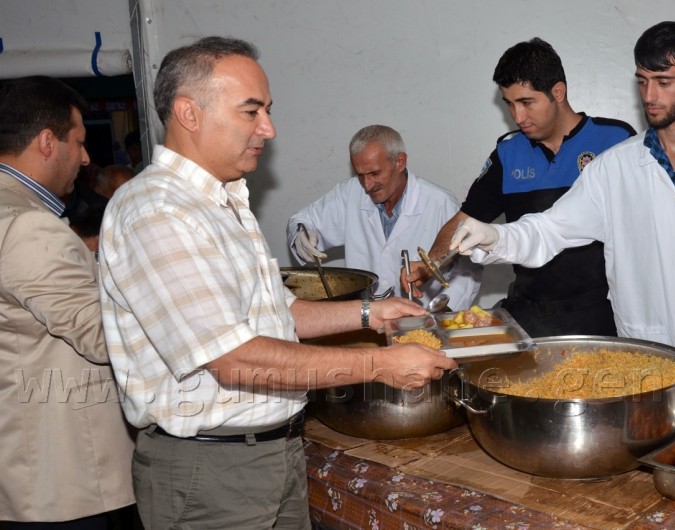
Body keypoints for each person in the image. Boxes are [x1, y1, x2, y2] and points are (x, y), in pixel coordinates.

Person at [98, 36, 457, 529]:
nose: (268, 128)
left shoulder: (224, 203)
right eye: (251, 111)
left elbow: (280, 314)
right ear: (189, 113)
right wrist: (379, 364)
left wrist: (372, 313)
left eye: (267, 110)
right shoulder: (158, 211)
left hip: (275, 452)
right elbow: (235, 359)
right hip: (213, 470)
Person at [450, 21, 675, 404]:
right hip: (651, 369)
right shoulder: (613, 168)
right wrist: (497, 237)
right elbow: (550, 229)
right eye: (642, 81)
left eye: (664, 82)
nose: (650, 95)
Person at [402, 38, 635, 336]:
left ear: (558, 92)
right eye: (509, 104)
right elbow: (465, 220)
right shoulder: (508, 153)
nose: (517, 116)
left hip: (600, 314)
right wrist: (429, 265)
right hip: (528, 314)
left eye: (526, 102)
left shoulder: (614, 140)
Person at [0, 76, 135, 527]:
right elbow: (101, 335)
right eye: (78, 142)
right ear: (45, 142)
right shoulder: (26, 227)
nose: (85, 157)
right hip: (71, 480)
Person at [286, 124, 481, 309]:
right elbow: (302, 220)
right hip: (367, 319)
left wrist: (444, 309)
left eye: (375, 173)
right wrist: (301, 235)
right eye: (360, 175)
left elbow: (468, 269)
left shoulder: (440, 202)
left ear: (400, 162)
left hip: (423, 319)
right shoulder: (349, 194)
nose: (367, 185)